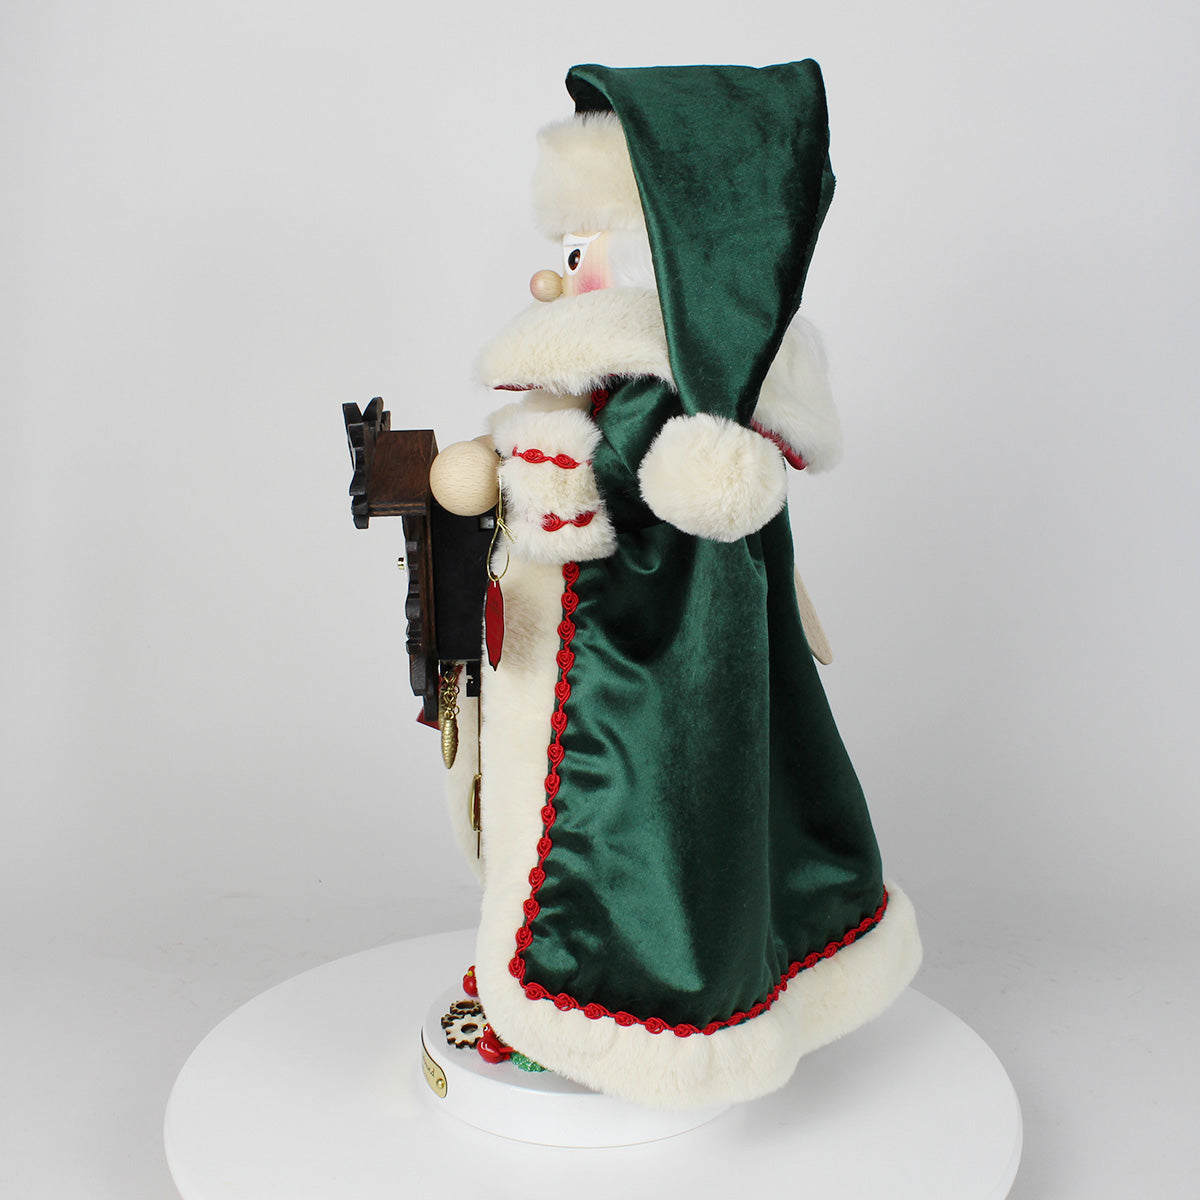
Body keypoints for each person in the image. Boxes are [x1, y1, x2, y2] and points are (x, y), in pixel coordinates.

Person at [440, 61, 922, 1109]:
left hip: (633, 673)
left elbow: (608, 490)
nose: (554, 283)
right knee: (690, 811)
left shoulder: (668, 404)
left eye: (581, 252)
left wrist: (512, 465)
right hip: (658, 655)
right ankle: (597, 992)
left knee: (634, 826)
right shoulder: (681, 387)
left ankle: (607, 1006)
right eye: (563, 253)